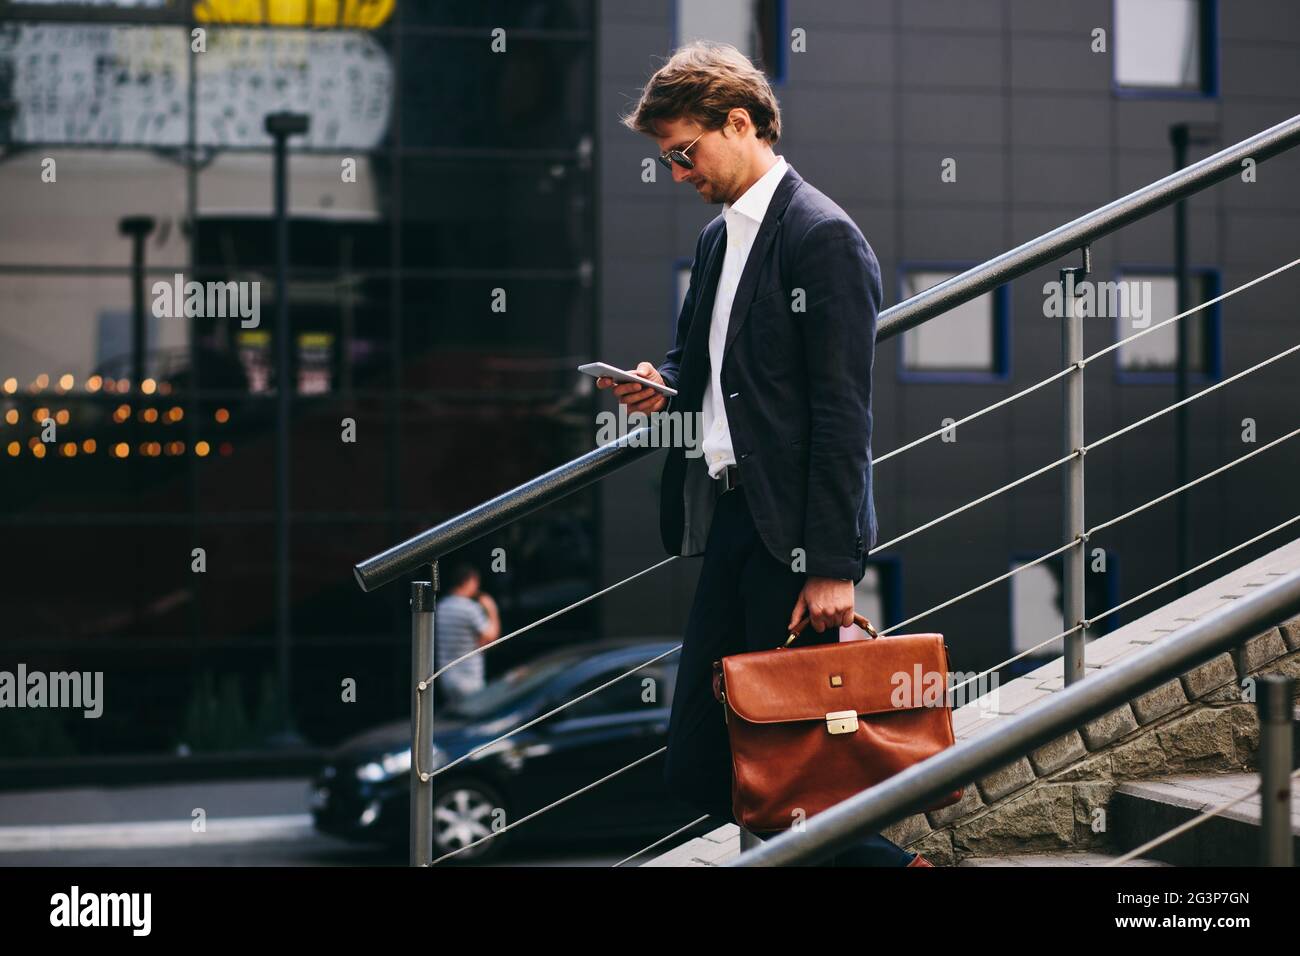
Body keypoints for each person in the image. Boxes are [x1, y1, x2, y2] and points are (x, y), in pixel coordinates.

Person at [602, 41, 931, 867]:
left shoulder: (822, 238)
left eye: (685, 152)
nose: (677, 174)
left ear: (738, 123)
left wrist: (832, 565)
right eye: (669, 158)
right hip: (735, 520)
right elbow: (700, 365)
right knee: (707, 762)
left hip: (796, 539)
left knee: (790, 762)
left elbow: (842, 415)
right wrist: (660, 383)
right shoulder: (721, 241)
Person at [433, 563, 501, 708]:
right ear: (469, 581)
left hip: (447, 677)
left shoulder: (441, 606)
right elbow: (491, 636)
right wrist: (491, 609)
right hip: (470, 678)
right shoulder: (470, 609)